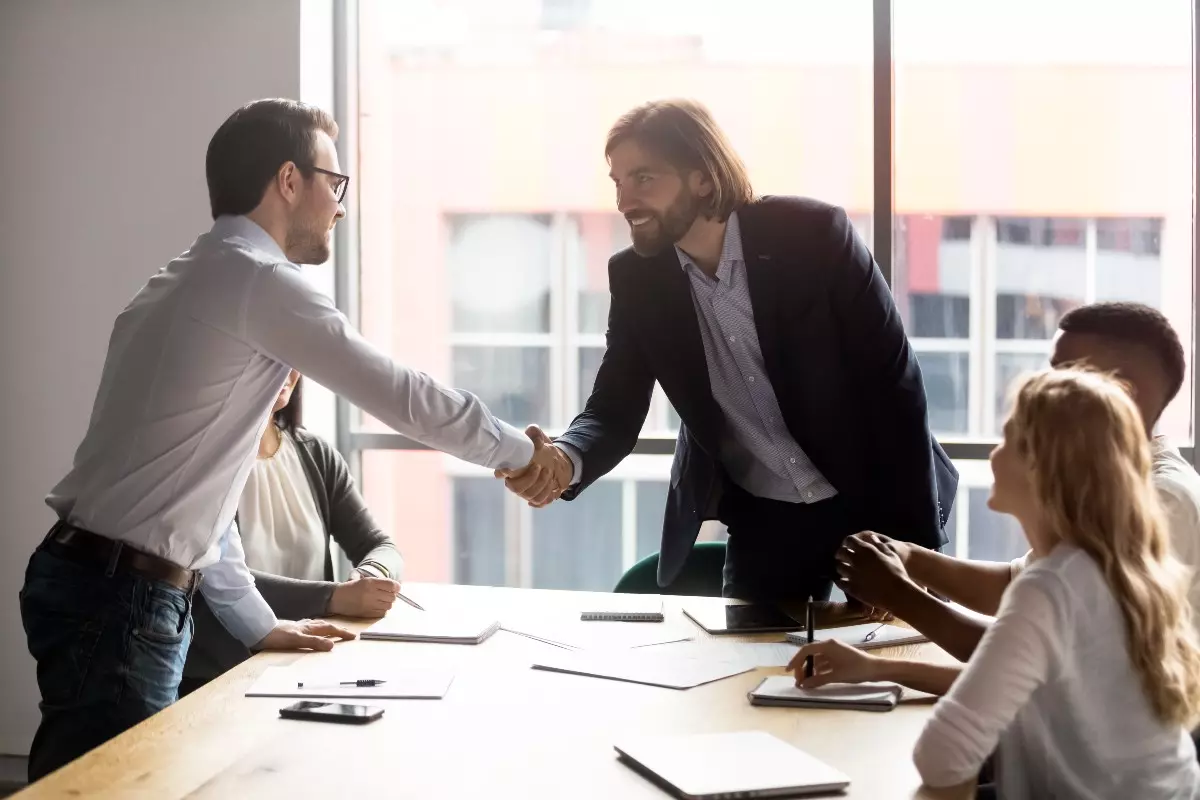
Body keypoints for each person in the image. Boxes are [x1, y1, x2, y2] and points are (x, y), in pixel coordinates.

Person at [20, 98, 559, 781]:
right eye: (334, 184)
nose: (339, 205)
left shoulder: (186, 278)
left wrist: (257, 624)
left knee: (89, 782)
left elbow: (196, 495)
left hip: (102, 581)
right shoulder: (260, 282)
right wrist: (522, 454)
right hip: (121, 597)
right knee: (107, 793)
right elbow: (400, 393)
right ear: (288, 181)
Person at [498, 98, 957, 602]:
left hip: (872, 504)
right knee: (744, 671)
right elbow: (615, 405)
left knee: (888, 663)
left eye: (644, 179)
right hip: (764, 518)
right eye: (618, 182)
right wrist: (565, 457)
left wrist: (919, 551)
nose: (625, 201)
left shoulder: (814, 236)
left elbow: (895, 390)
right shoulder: (637, 278)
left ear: (702, 177)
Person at [788, 302, 1200, 696]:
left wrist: (898, 593)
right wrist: (910, 558)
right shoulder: (1111, 485)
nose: (1042, 390)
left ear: (1124, 392)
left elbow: (1031, 657)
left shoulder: (1161, 502)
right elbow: (1015, 585)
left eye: (1063, 375)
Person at [911, 370, 1200, 795]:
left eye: (1009, 439)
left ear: (1045, 467)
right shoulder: (1118, 564)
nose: (994, 453)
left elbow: (941, 756)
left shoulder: (1053, 586)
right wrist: (874, 669)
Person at [180, 371, 403, 695]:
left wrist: (372, 572)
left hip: (305, 668)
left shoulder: (316, 455)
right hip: (219, 680)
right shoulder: (208, 462)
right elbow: (212, 579)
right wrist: (332, 597)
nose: (286, 370)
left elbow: (380, 545)